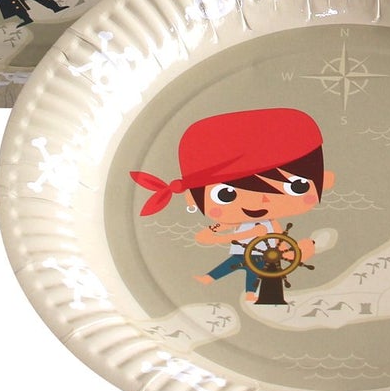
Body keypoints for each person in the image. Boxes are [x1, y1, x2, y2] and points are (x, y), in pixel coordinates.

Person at [132, 108, 332, 305]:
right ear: (192, 198)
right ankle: (211, 279)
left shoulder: (270, 225)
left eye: (296, 186)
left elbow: (281, 242)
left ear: (326, 180)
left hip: (261, 257)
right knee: (232, 266)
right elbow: (204, 237)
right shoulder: (232, 222)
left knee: (254, 272)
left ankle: (250, 294)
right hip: (241, 253)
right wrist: (241, 235)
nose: (262, 200)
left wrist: (295, 251)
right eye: (226, 195)